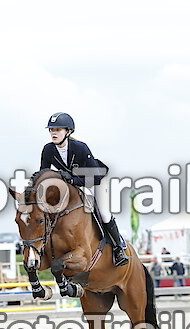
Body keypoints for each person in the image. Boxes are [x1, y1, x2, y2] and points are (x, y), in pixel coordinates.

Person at [39, 112, 128, 267]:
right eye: (51, 130)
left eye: (58, 130)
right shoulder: (48, 149)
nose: (53, 133)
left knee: (104, 213)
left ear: (68, 132)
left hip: (95, 180)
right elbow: (43, 173)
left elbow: (94, 178)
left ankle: (118, 247)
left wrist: (73, 179)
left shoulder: (80, 148)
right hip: (73, 184)